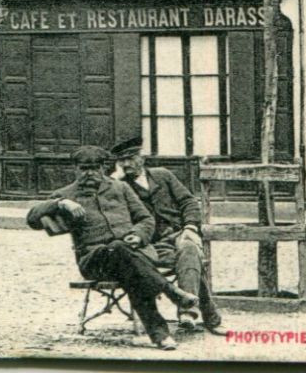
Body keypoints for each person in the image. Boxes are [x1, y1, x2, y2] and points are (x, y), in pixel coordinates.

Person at [26, 144, 198, 350]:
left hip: (132, 255)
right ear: (75, 169)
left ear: (103, 168)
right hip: (95, 260)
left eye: (95, 168)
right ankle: (171, 293)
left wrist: (137, 235)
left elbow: (145, 219)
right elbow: (32, 219)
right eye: (84, 169)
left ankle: (161, 336)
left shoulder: (120, 188)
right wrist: (60, 203)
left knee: (131, 272)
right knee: (120, 251)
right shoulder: (66, 194)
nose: (89, 174)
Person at [112, 136, 224, 334]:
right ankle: (205, 317)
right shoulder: (119, 187)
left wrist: (190, 227)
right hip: (150, 244)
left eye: (131, 158)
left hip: (178, 234)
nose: (126, 164)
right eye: (122, 161)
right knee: (191, 260)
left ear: (142, 158)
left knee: (189, 246)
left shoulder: (163, 176)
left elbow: (188, 202)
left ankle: (188, 312)